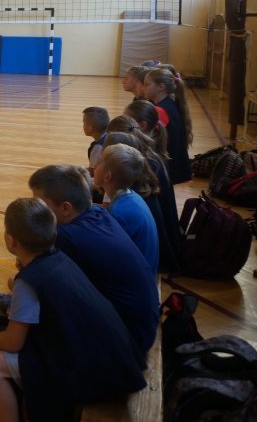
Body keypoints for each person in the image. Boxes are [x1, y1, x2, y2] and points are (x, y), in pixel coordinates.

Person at [0, 198, 146, 422]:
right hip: (118, 359)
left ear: (11, 241)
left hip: (96, 375)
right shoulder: (59, 258)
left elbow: (13, 342)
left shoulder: (28, 282)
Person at [28, 164, 159, 354]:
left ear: (65, 208)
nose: (35, 211)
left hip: (127, 341)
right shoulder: (99, 214)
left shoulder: (66, 237)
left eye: (40, 205)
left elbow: (42, 289)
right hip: (141, 326)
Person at [93, 143, 159, 272]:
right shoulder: (130, 197)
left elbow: (106, 255)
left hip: (136, 281)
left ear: (107, 176)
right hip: (143, 273)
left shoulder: (119, 213)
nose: (95, 165)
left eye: (99, 162)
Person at [144, 66, 193, 184]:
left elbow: (150, 140)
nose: (143, 88)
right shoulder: (170, 103)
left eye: (146, 84)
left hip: (167, 166)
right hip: (172, 165)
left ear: (161, 87)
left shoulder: (160, 110)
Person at [82, 106, 109, 175]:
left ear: (90, 128)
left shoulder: (98, 148)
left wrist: (76, 171)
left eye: (84, 123)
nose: (83, 126)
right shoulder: (109, 136)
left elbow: (91, 172)